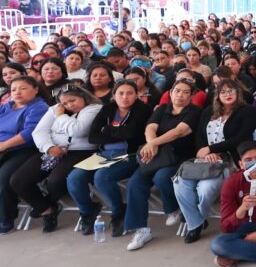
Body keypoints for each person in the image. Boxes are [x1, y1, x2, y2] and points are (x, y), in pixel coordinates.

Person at [174, 79, 256, 244]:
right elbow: (199, 136)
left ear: (238, 93)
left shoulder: (248, 111)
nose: (227, 94)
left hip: (230, 160)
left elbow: (241, 138)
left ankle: (197, 218)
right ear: (217, 95)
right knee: (180, 183)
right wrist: (203, 151)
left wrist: (212, 150)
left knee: (205, 189)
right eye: (223, 92)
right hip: (205, 160)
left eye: (231, 91)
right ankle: (195, 224)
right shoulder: (208, 112)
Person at [8, 84, 101, 233]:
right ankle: (47, 209)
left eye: (73, 100)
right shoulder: (54, 109)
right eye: (64, 103)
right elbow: (39, 132)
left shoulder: (93, 108)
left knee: (55, 181)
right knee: (18, 180)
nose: (69, 105)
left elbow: (77, 130)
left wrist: (60, 115)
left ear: (83, 97)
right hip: (53, 150)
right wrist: (49, 148)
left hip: (81, 151)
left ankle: (48, 204)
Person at [122, 79, 202, 250]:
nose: (180, 95)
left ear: (192, 96)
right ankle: (141, 229)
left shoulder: (194, 112)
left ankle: (174, 209)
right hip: (156, 156)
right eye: (177, 90)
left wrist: (153, 144)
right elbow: (149, 129)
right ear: (171, 93)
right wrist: (152, 144)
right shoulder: (162, 109)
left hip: (179, 156)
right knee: (135, 183)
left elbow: (179, 132)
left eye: (185, 92)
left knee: (162, 177)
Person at [68, 80, 153, 237]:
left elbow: (132, 133)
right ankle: (88, 212)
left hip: (131, 155)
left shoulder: (143, 110)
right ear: (114, 95)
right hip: (104, 154)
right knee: (74, 179)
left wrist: (107, 130)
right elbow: (93, 137)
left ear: (137, 95)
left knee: (102, 177)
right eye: (120, 93)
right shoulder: (107, 109)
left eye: (130, 93)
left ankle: (118, 212)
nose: (125, 97)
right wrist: (118, 131)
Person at [0, 79, 69, 233]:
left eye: (23, 88)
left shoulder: (39, 107)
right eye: (13, 89)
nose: (17, 92)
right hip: (3, 149)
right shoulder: (6, 107)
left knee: (3, 181)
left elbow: (29, 133)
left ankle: (5, 219)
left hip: (24, 149)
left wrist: (4, 145)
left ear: (35, 89)